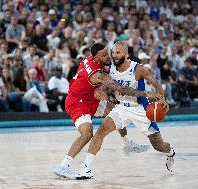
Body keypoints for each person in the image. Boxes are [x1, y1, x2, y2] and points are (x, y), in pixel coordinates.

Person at [53, 43, 159, 179]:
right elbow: (121, 89)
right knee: (87, 134)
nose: (108, 57)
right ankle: (64, 165)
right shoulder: (98, 74)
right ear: (96, 57)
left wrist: (101, 90)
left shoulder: (89, 59)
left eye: (107, 53)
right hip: (77, 103)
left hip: (90, 98)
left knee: (117, 109)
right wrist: (146, 94)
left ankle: (127, 143)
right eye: (104, 56)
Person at [77, 41, 175, 179]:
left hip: (140, 109)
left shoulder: (138, 68)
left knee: (158, 145)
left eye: (118, 53)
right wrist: (101, 93)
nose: (114, 55)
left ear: (126, 53)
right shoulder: (109, 69)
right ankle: (85, 168)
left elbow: (156, 84)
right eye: (113, 52)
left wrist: (162, 100)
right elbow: (100, 85)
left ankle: (170, 151)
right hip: (122, 108)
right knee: (101, 131)